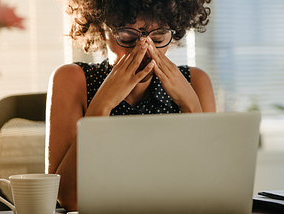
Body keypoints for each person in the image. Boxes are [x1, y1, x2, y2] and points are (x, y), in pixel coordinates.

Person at [46, 0, 215, 211]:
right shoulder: (72, 80)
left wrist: (190, 106)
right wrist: (103, 104)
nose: (144, 50)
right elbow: (69, 199)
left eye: (159, 37)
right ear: (102, 28)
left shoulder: (195, 82)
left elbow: (210, 192)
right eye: (127, 36)